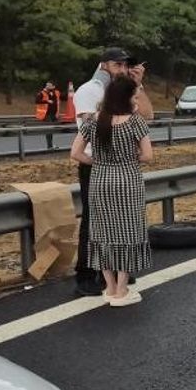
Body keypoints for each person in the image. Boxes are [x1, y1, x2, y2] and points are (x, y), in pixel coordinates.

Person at [69, 76, 153, 307]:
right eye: (134, 95)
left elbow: (75, 153)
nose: (136, 99)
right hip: (127, 181)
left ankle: (110, 287)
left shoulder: (93, 120)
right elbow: (148, 155)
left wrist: (98, 162)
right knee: (128, 231)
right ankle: (122, 288)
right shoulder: (135, 122)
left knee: (102, 232)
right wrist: (128, 158)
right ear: (126, 97)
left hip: (100, 180)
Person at [71, 47, 132, 296]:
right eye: (118, 65)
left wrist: (137, 86)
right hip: (94, 163)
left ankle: (117, 270)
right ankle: (86, 275)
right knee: (93, 220)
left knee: (118, 220)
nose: (123, 69)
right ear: (104, 65)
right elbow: (90, 124)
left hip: (119, 165)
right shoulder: (89, 90)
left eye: (125, 65)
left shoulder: (121, 91)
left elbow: (145, 116)